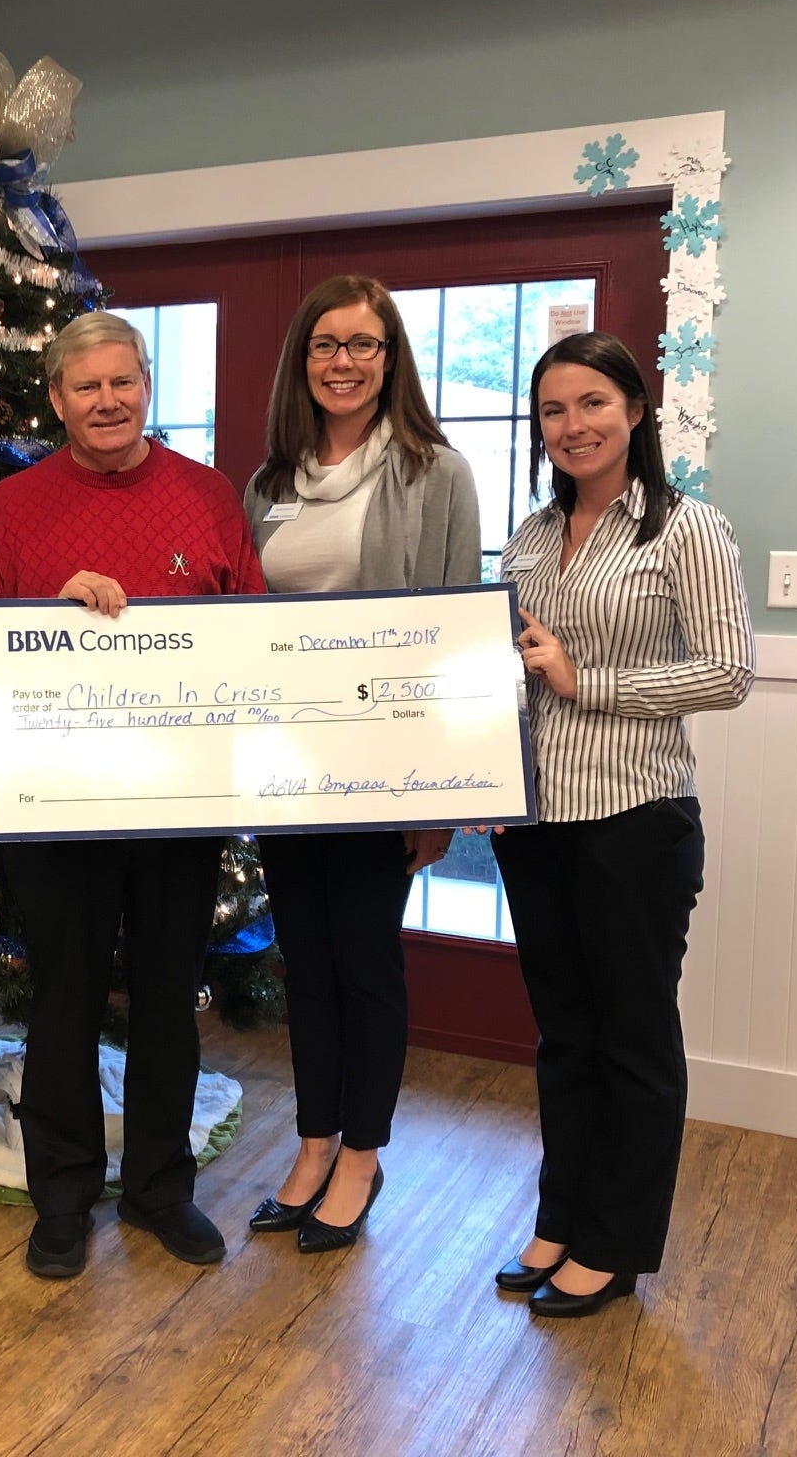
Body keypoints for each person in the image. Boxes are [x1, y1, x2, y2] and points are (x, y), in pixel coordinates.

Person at [0, 310, 267, 1279]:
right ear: (56, 398)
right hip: (58, 807)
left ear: (146, 386)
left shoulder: (207, 496)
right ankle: (61, 1196)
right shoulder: (11, 509)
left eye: (121, 381)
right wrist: (45, 619)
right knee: (65, 1000)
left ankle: (160, 1190)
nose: (106, 400)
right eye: (85, 385)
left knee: (169, 998)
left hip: (179, 804)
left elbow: (250, 627)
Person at [480, 330, 753, 1318]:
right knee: (565, 1036)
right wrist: (488, 781)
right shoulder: (527, 537)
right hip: (537, 821)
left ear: (636, 412)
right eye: (553, 410)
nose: (573, 425)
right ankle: (561, 1219)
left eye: (593, 403)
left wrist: (585, 679)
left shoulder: (687, 529)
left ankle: (614, 1243)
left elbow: (729, 672)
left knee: (632, 1038)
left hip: (636, 817)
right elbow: (498, 670)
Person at [239, 275, 482, 1254]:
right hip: (288, 767)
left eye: (364, 345)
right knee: (306, 961)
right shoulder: (271, 484)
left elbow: (454, 633)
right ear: (302, 361)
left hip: (388, 770)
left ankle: (362, 1155)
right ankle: (312, 1143)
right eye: (326, 345)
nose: (344, 362)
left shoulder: (436, 474)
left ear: (391, 359)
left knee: (366, 960)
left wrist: (443, 794)